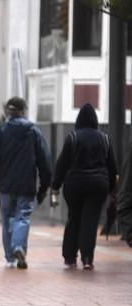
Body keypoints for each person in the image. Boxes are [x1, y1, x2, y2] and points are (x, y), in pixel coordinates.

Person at [0, 97, 52, 269]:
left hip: (5, 186)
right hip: (26, 184)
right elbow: (44, 160)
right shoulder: (33, 131)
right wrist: (44, 186)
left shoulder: (0, 131)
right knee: (23, 215)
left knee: (7, 218)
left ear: (8, 112)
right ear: (23, 111)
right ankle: (19, 246)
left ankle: (10, 257)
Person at [50, 103, 118, 270]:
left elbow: (62, 165)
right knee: (90, 220)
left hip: (74, 185)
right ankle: (87, 258)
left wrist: (55, 186)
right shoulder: (105, 139)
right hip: (98, 186)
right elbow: (113, 168)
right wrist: (112, 190)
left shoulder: (72, 137)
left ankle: (69, 256)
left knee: (74, 217)